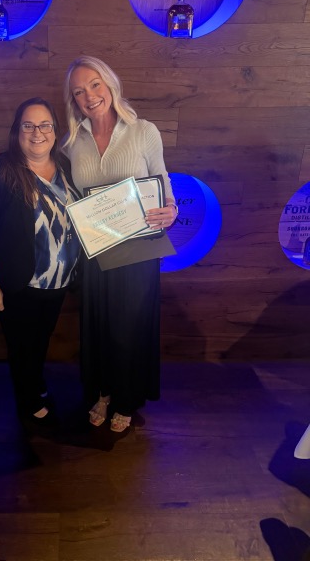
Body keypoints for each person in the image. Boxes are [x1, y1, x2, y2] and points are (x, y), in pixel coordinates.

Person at [62, 56, 178, 433]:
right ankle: (103, 391)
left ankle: (126, 398)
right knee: (98, 326)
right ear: (73, 100)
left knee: (129, 328)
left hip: (138, 252)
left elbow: (162, 181)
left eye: (95, 85)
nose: (89, 96)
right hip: (95, 252)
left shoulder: (143, 131)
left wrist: (171, 209)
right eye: (79, 91)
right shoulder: (70, 142)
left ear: (110, 84)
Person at [0, 97, 80, 429]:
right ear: (17, 131)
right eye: (28, 125)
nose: (37, 133)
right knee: (22, 346)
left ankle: (33, 383)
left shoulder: (66, 166)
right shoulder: (0, 170)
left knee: (41, 339)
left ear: (55, 130)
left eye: (44, 125)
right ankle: (28, 401)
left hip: (59, 281)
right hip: (19, 283)